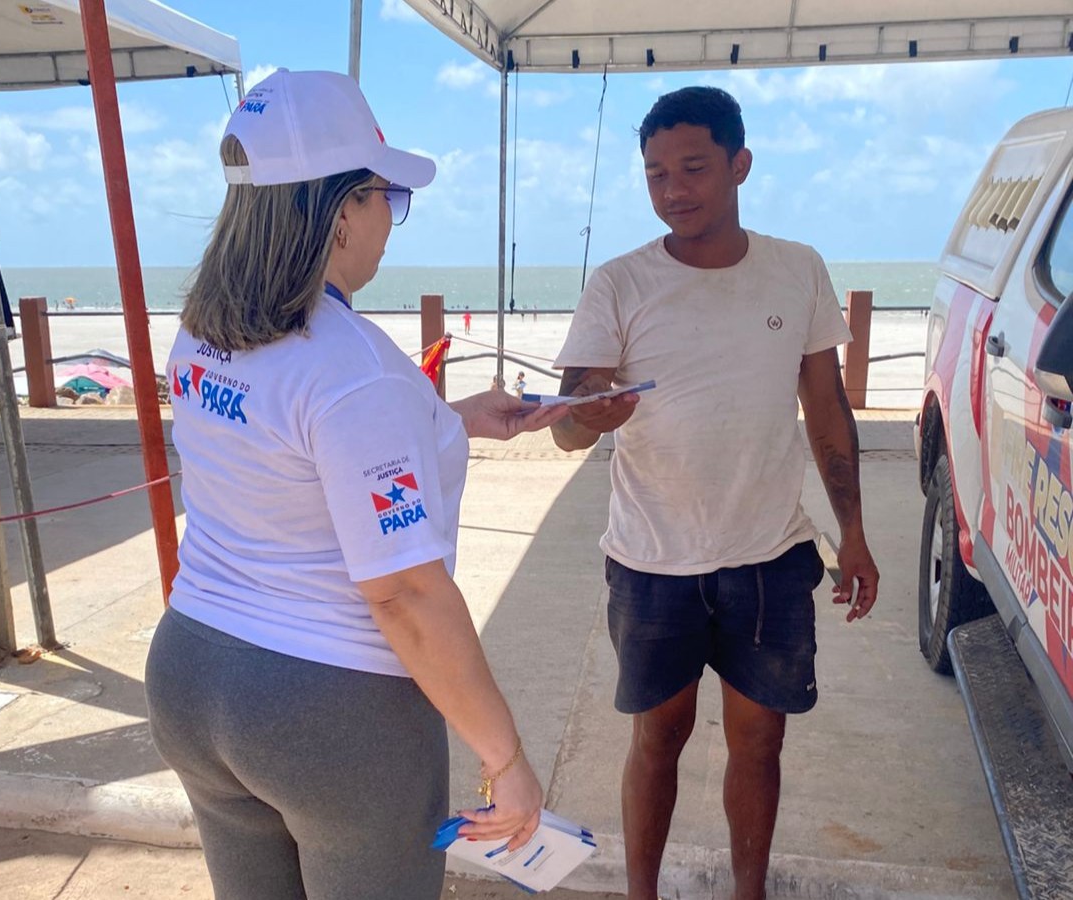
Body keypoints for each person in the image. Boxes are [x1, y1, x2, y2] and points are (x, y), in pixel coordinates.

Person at [144, 70, 569, 900]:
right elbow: (404, 594)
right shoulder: (352, 366)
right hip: (328, 712)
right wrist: (506, 758)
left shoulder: (204, 330)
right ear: (341, 212)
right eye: (387, 198)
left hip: (192, 671)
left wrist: (446, 422)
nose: (389, 222)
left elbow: (284, 444)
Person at [548, 86, 879, 900]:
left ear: (740, 165)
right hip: (650, 558)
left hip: (769, 553)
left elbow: (826, 409)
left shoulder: (796, 269)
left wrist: (854, 533)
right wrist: (590, 414)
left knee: (760, 742)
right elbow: (566, 426)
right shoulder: (618, 283)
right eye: (656, 174)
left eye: (693, 168)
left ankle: (748, 892)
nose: (673, 190)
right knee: (657, 737)